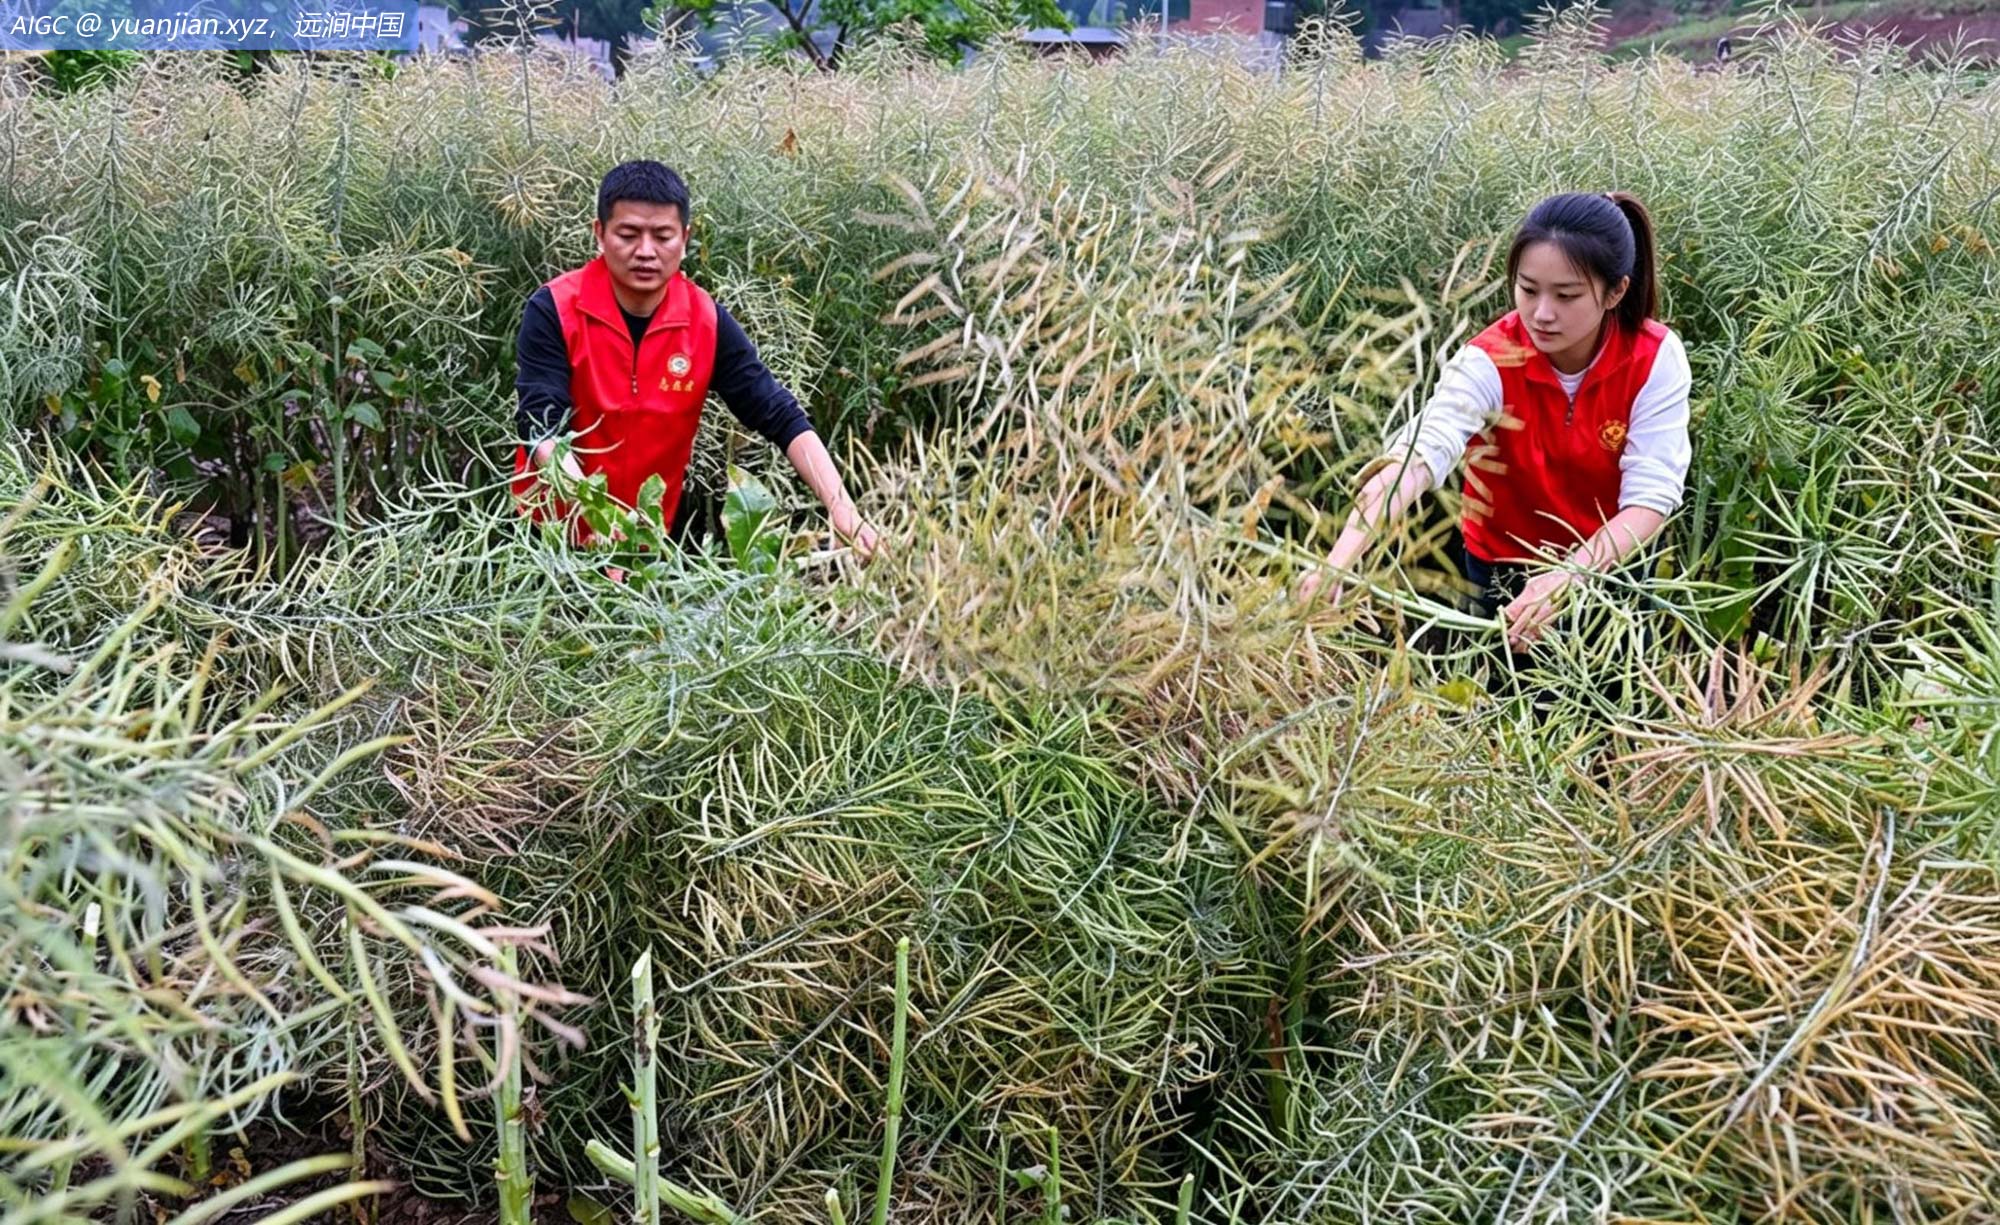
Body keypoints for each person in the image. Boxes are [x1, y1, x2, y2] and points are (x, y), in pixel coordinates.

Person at [1300, 191, 1692, 653]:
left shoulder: (1654, 358)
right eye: (1528, 289)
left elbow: (1651, 497)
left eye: (1566, 295)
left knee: (1606, 704)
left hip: (1609, 564)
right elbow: (1422, 453)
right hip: (1503, 567)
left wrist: (1570, 576)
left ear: (1616, 292)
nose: (1542, 314)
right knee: (1502, 701)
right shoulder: (1490, 360)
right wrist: (1341, 560)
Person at [513, 160, 881, 563]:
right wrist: (594, 515)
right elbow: (541, 427)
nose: (646, 252)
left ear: (684, 239)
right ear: (599, 234)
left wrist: (843, 508)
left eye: (663, 236)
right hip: (547, 537)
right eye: (629, 234)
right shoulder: (555, 309)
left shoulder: (705, 321)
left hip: (644, 541)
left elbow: (780, 414)